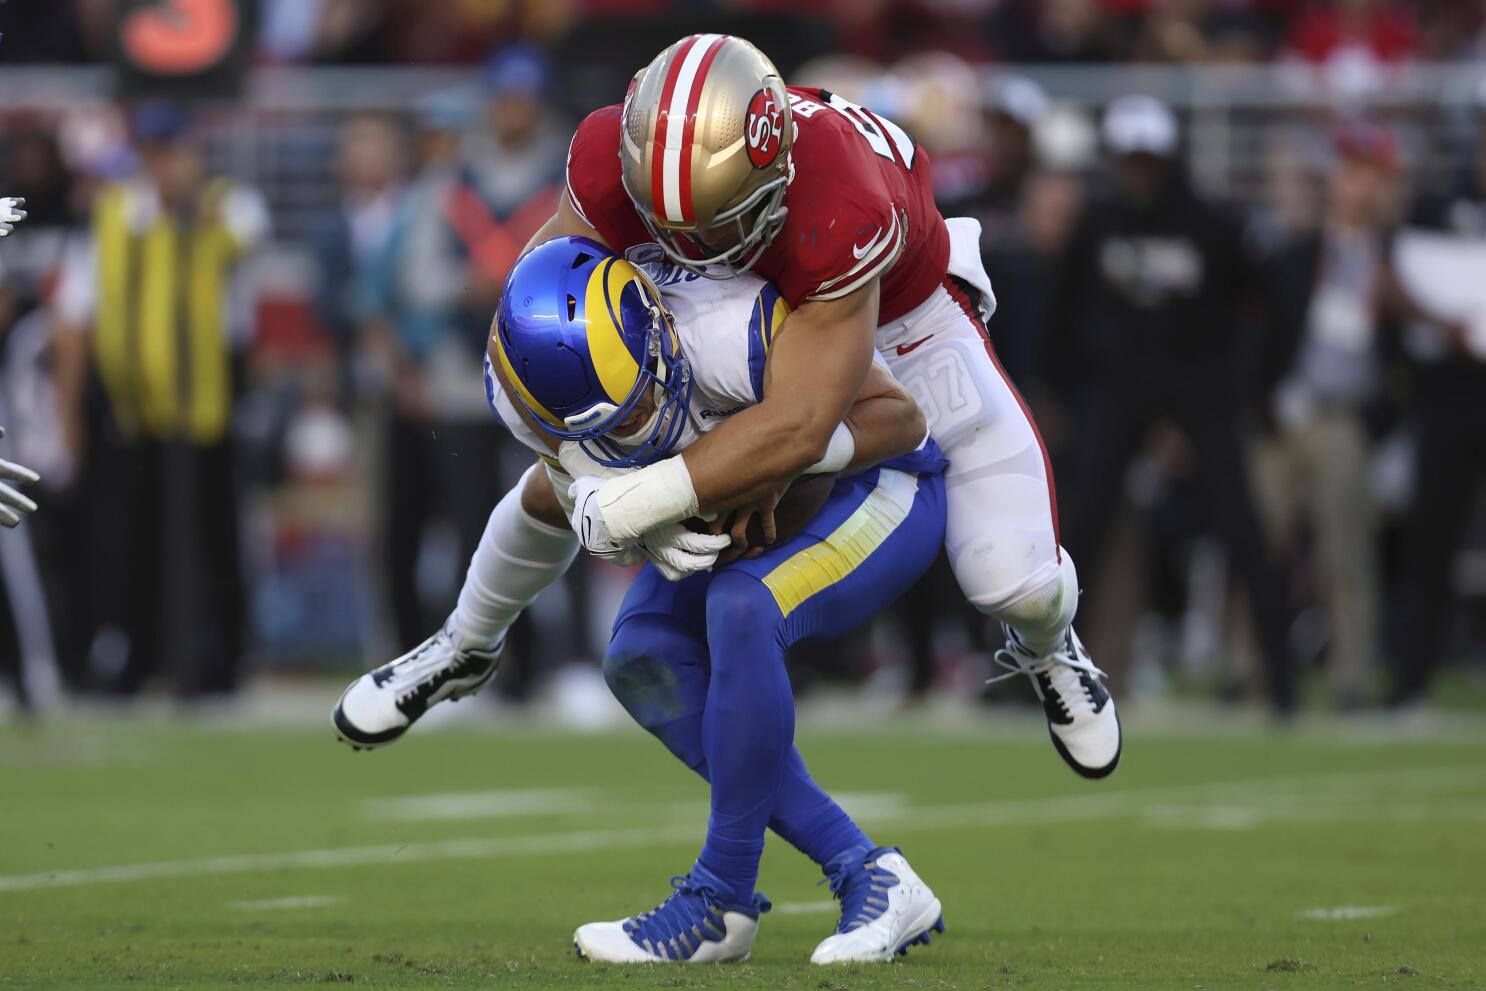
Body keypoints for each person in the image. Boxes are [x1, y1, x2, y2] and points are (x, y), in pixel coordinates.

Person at [339, 235, 949, 962]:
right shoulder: (523, 385)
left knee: (743, 608)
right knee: (639, 655)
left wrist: (750, 464)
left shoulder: (731, 327)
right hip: (744, 499)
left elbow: (900, 419)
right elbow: (548, 492)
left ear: (653, 328)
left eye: (634, 408)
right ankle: (866, 869)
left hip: (877, 482)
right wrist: (603, 494)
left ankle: (721, 895)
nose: (634, 432)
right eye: (603, 431)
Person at [533, 34, 1118, 778]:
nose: (687, 245)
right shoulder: (612, 152)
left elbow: (806, 423)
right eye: (665, 221)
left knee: (1014, 582)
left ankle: (1049, 645)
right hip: (762, 300)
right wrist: (581, 471)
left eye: (713, 222)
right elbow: (537, 321)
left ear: (771, 175)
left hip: (899, 320)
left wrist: (640, 498)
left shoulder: (841, 200)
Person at [1045, 94, 1298, 714]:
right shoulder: (1099, 221)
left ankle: (1282, 680)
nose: (1137, 173)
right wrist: (1061, 390)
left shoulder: (1211, 223)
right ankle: (1047, 673)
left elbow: (1269, 304)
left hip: (1199, 387)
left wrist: (1250, 386)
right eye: (1128, 159)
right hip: (1120, 388)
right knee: (1081, 529)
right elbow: (1063, 311)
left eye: (1147, 160)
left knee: (1243, 525)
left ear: (1166, 161)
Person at [51, 102, 268, 697]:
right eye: (154, 153)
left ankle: (221, 659)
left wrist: (190, 207)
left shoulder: (225, 205)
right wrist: (68, 410)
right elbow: (75, 315)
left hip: (207, 404)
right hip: (134, 407)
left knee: (214, 537)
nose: (164, 166)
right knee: (134, 541)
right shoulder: (115, 215)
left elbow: (246, 240)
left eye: (173, 152)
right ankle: (140, 655)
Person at [1252, 123, 1401, 708]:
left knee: (1347, 551)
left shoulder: (1392, 258)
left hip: (1344, 416)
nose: (1351, 184)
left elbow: (1399, 349)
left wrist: (1379, 420)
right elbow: (1263, 335)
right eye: (1346, 170)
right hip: (1286, 412)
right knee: (1262, 543)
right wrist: (1264, 403)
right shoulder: (1297, 251)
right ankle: (1252, 670)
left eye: (1364, 172)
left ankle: (1351, 675)